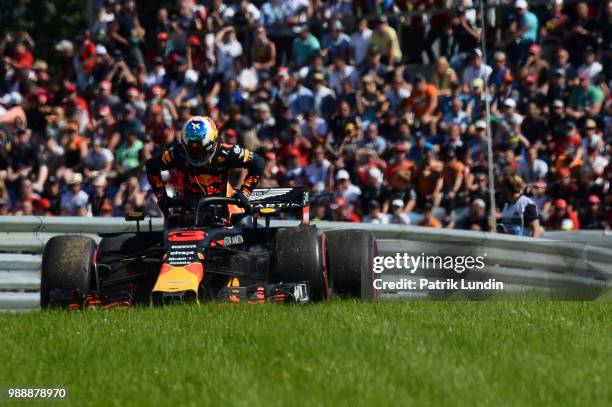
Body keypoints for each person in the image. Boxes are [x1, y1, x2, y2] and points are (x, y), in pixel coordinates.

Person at [145, 116, 264, 217]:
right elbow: (151, 166)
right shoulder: (177, 153)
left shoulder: (226, 152)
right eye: (192, 150)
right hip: (188, 210)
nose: (197, 153)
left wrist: (245, 192)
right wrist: (162, 197)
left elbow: (258, 162)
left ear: (213, 142)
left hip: (223, 207)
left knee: (243, 219)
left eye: (200, 150)